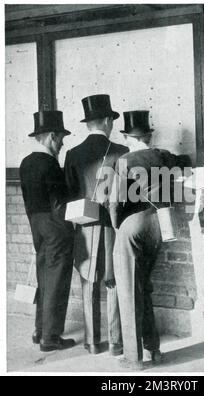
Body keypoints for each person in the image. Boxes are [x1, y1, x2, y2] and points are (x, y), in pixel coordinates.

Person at [110, 110, 191, 370]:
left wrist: (119, 227)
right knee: (143, 285)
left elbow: (114, 203)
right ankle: (153, 349)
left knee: (129, 290)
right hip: (162, 224)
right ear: (149, 135)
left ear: (127, 136)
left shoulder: (124, 160)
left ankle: (133, 358)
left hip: (135, 225)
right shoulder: (164, 155)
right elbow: (185, 161)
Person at [64, 94, 128, 355]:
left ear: (89, 123)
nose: (112, 124)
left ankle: (92, 343)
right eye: (111, 120)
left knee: (88, 282)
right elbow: (124, 194)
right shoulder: (121, 152)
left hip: (83, 226)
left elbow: (68, 194)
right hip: (113, 225)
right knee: (113, 281)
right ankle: (115, 342)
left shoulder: (72, 154)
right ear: (105, 121)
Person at [20, 110, 75, 352]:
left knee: (44, 277)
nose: (62, 143)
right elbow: (60, 202)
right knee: (57, 280)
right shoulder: (50, 163)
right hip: (55, 225)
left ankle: (40, 330)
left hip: (35, 224)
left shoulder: (26, 162)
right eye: (61, 137)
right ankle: (51, 337)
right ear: (52, 136)